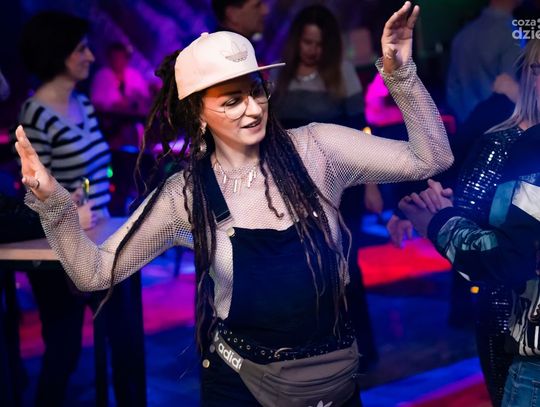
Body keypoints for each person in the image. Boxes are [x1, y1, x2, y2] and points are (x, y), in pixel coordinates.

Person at [15, 2, 453, 405]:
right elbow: (94, 273)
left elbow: (431, 157)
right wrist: (54, 206)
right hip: (242, 389)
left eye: (256, 91)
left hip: (330, 383)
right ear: (198, 114)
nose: (253, 109)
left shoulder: (318, 150)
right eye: (231, 101)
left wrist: (401, 75)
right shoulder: (186, 195)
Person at [398, 38, 540, 407]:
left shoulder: (529, 147)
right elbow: (476, 222)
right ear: (528, 76)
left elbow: (504, 254)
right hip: (505, 307)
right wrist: (440, 215)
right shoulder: (503, 143)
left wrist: (437, 220)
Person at [16, 12, 146, 406]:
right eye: (81, 49)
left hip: (102, 238)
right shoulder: (35, 114)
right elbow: (32, 195)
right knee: (64, 348)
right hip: (60, 249)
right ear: (58, 54)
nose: (90, 57)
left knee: (126, 345)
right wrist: (65, 209)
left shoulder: (84, 104)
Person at [275, 4, 381, 370]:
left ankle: (360, 350)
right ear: (297, 41)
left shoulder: (342, 73)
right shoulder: (280, 78)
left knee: (345, 266)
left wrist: (371, 184)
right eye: (307, 42)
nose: (313, 50)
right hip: (295, 189)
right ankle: (315, 351)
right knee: (303, 268)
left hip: (340, 187)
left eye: (319, 43)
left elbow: (361, 134)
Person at [446, 0, 522, 123]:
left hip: (468, 125)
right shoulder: (512, 33)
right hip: (500, 125)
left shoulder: (462, 36)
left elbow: (452, 91)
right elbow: (511, 90)